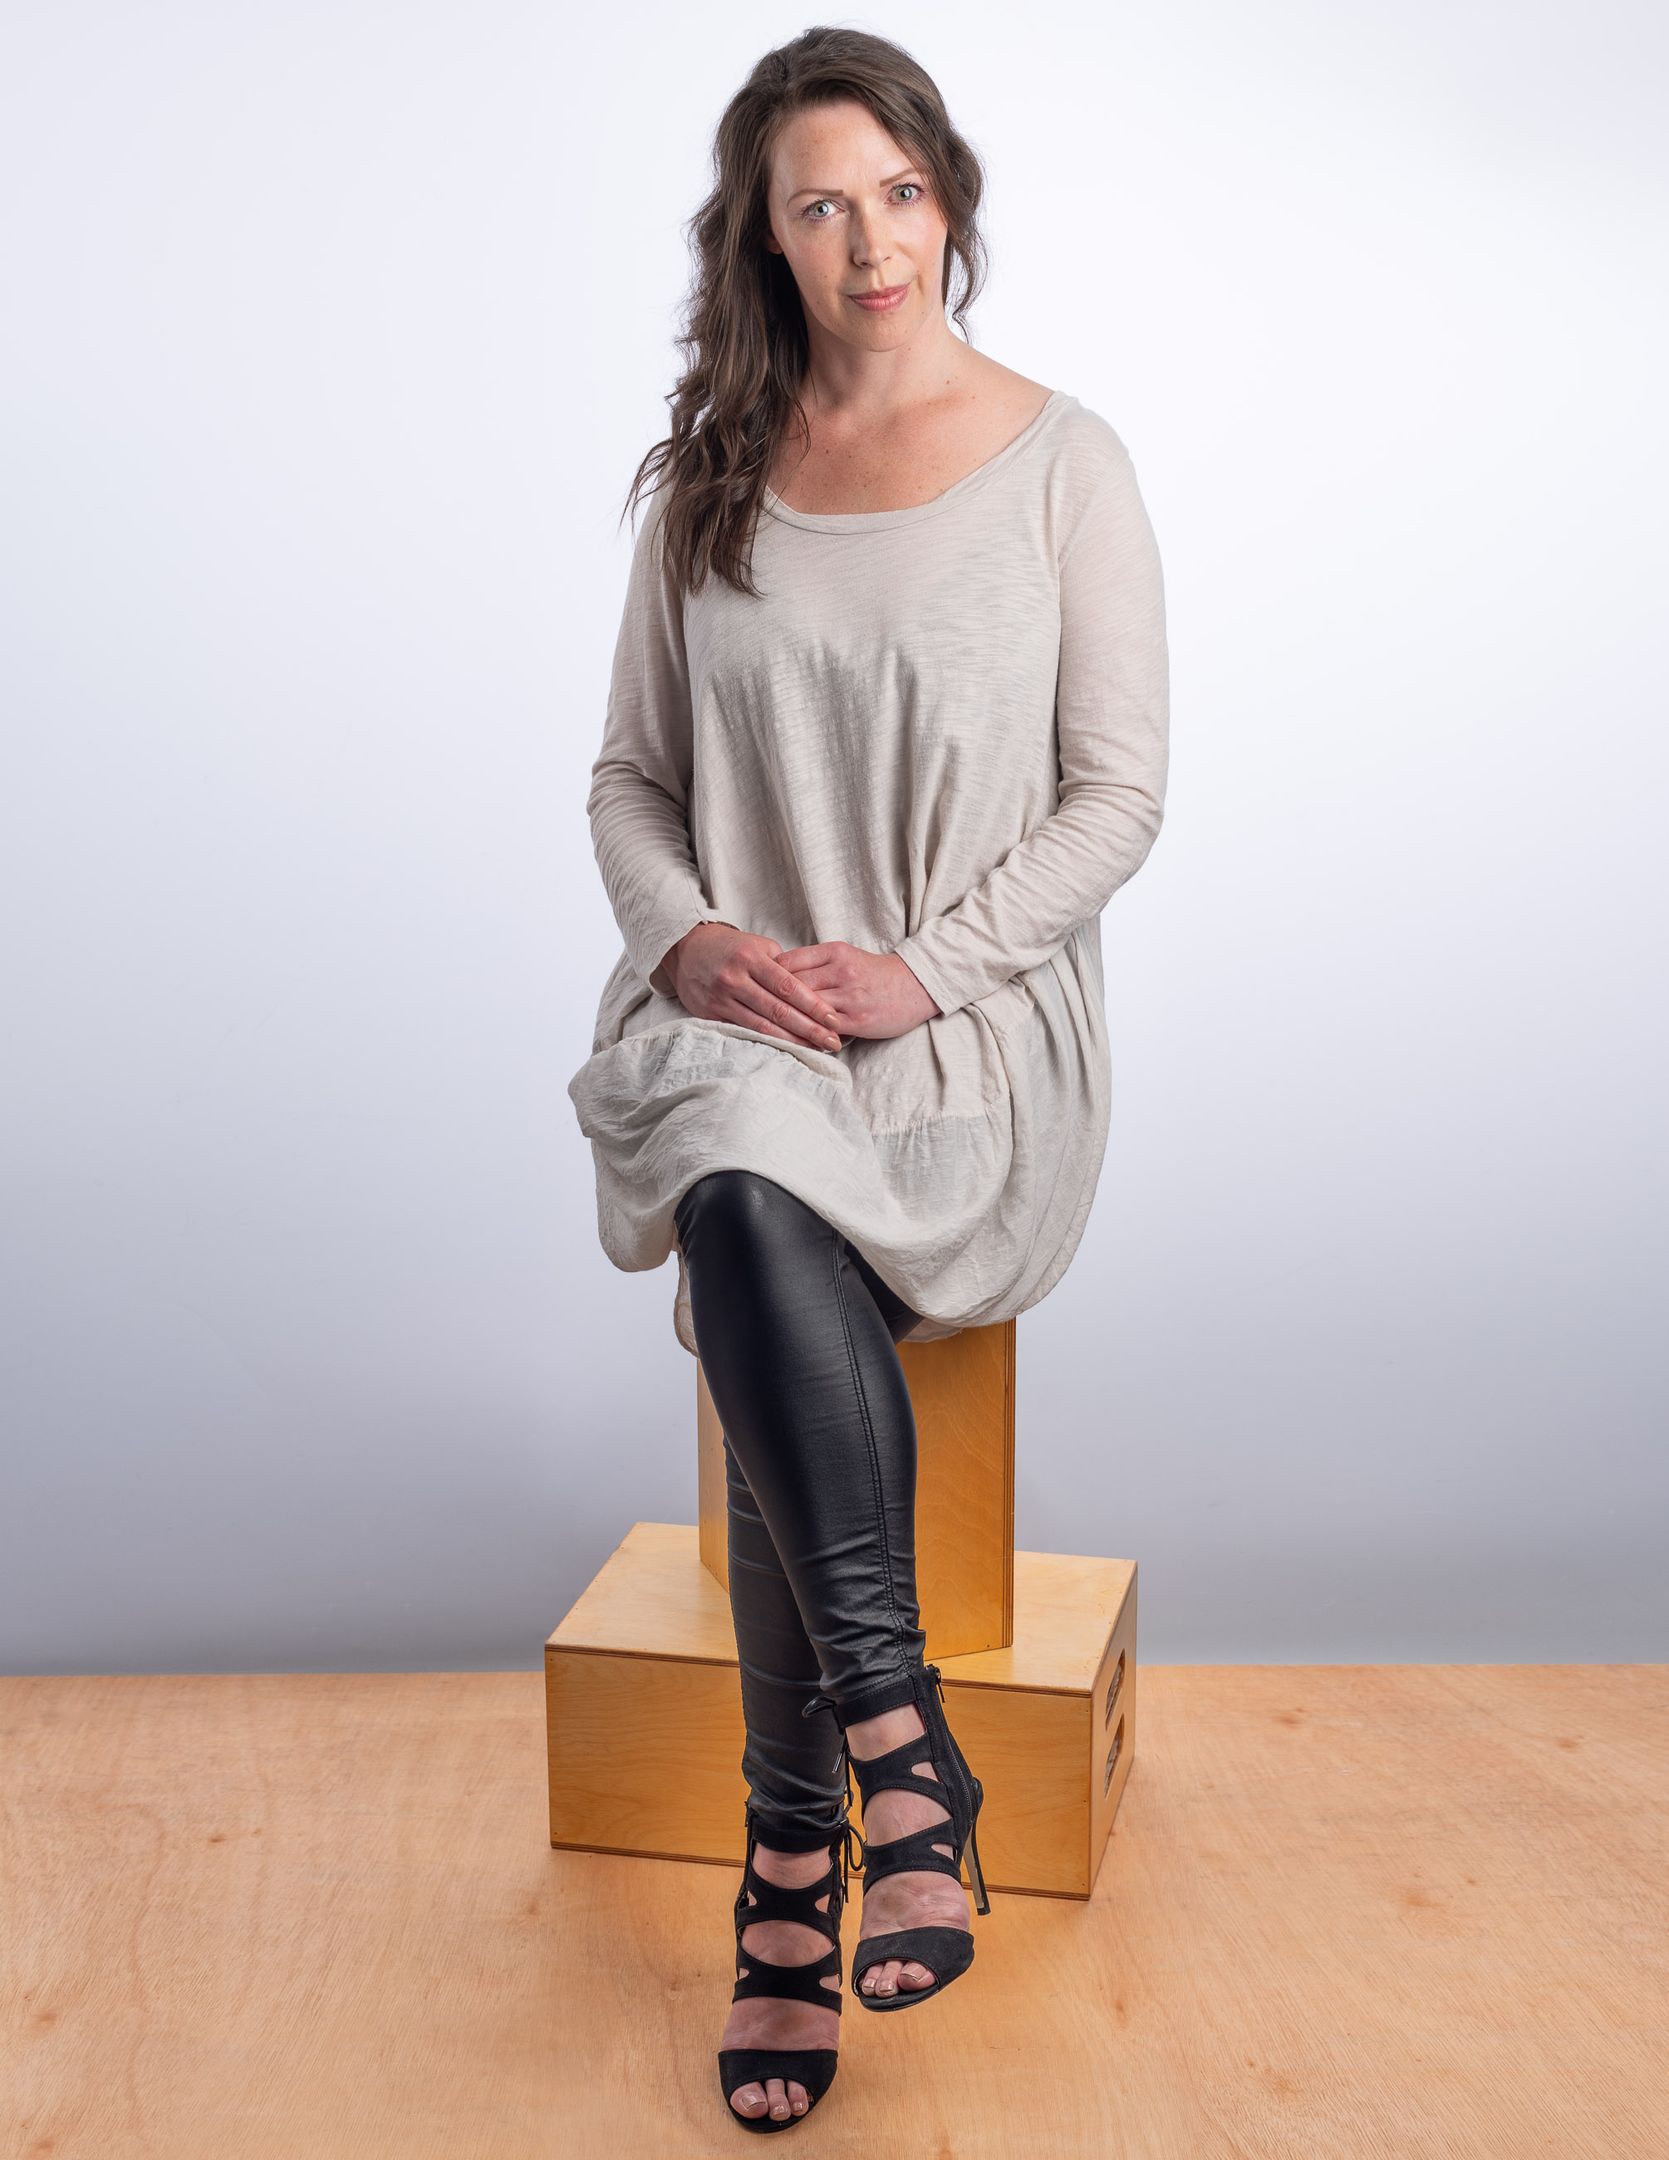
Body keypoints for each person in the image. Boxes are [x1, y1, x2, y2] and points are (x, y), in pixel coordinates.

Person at [567, 26, 1170, 2134]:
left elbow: (1116, 799)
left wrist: (911, 973)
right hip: (742, 1026)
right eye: (817, 204)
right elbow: (630, 781)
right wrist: (693, 946)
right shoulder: (709, 479)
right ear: (763, 238)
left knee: (751, 1216)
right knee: (744, 1179)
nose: (867, 240)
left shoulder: (1064, 463)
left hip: (967, 1031)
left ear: (948, 200)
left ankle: (787, 1860)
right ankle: (894, 1765)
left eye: (897, 192)